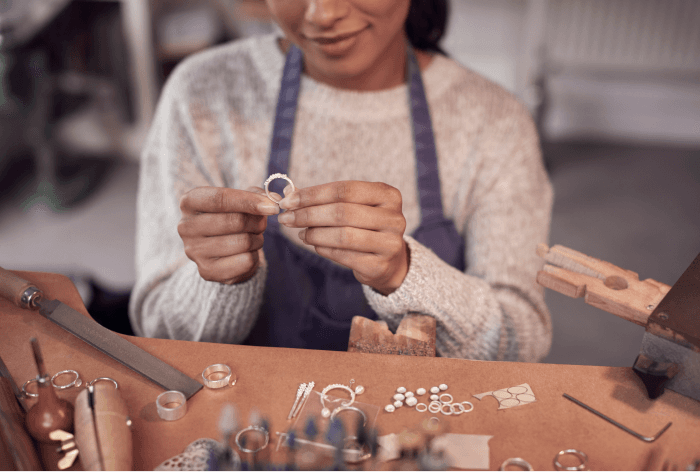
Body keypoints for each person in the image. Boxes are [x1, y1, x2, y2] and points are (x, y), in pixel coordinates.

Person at [129, 0, 554, 362]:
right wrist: (220, 283)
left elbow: (521, 341)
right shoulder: (201, 93)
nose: (323, 13)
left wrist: (404, 274)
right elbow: (157, 329)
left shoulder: (495, 122)